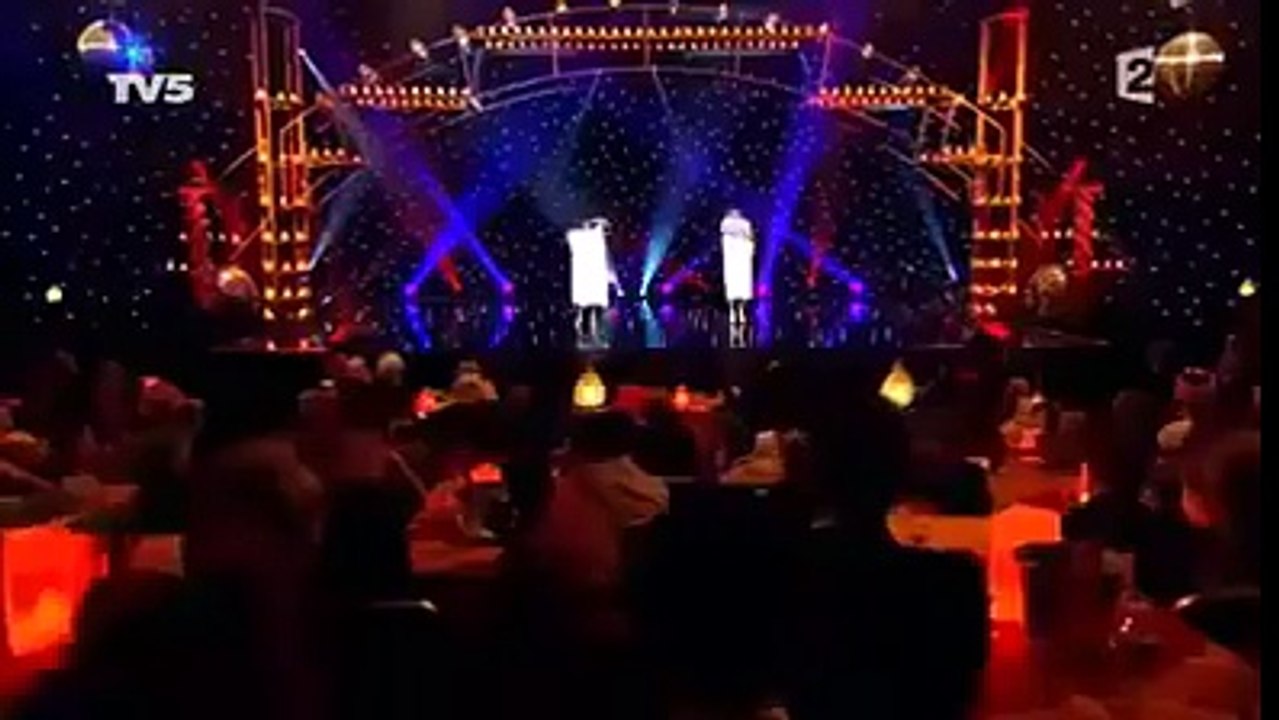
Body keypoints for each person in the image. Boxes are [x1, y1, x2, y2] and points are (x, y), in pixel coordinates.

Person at [785, 395, 988, 719]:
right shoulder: (954, 584)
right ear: (904, 470)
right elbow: (965, 694)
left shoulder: (785, 580)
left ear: (811, 474)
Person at [632, 399, 698, 478]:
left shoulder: (643, 434)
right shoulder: (685, 432)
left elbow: (638, 464)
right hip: (682, 479)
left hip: (651, 481)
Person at [721, 209, 756, 325]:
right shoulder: (726, 223)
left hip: (742, 255)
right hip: (732, 256)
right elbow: (724, 237)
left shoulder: (745, 223)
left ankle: (740, 311)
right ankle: (733, 311)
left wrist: (749, 247)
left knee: (742, 286)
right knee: (732, 285)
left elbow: (750, 238)